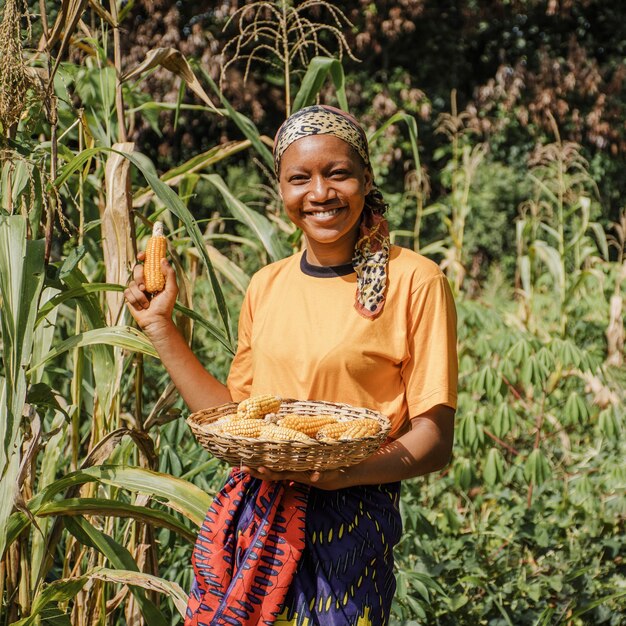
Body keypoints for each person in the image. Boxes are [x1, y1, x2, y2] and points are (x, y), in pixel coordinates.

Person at [124, 104, 458, 626]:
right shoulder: (267, 285)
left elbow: (434, 442)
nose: (319, 193)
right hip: (255, 518)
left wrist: (341, 474)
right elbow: (237, 419)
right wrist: (160, 327)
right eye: (299, 178)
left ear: (366, 179)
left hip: (348, 524)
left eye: (338, 173)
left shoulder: (415, 280)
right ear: (281, 189)